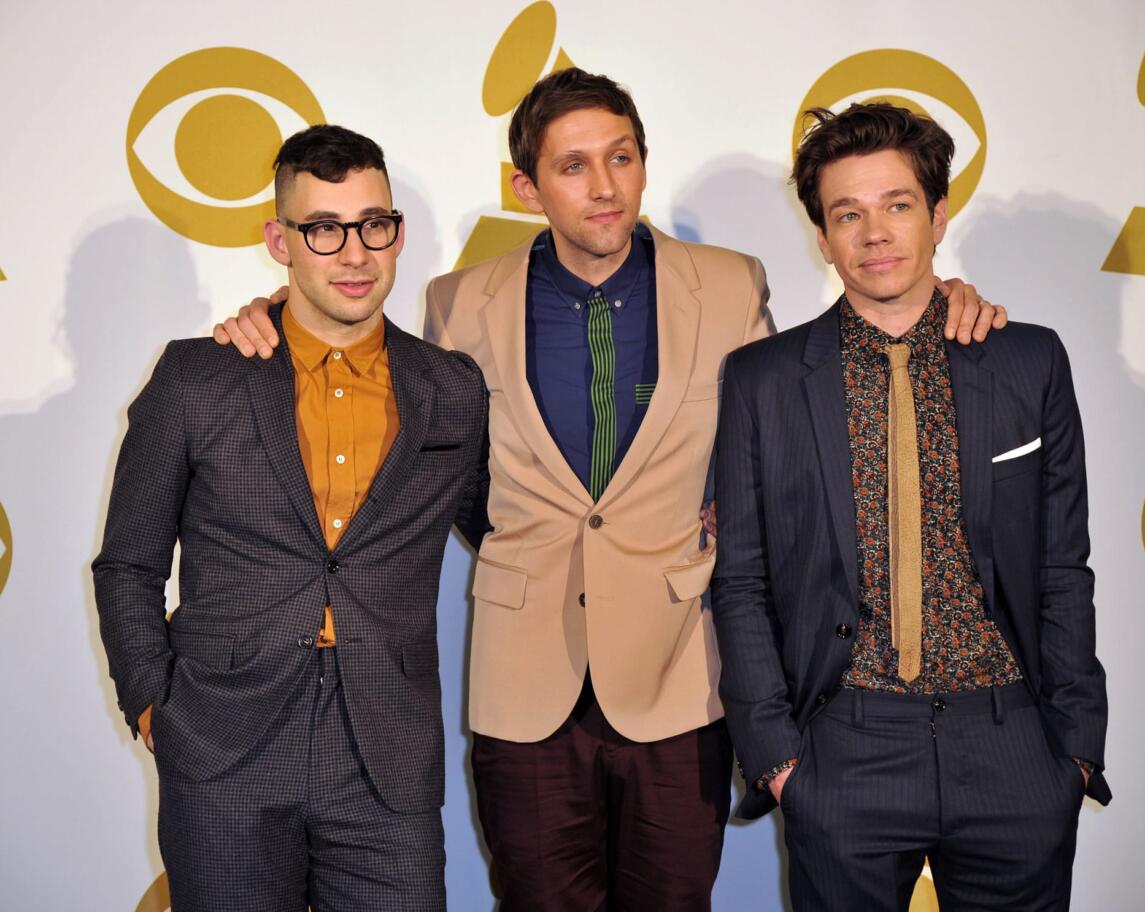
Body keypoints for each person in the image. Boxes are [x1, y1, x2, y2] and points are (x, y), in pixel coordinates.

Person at [214, 70, 1004, 910]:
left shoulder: (731, 285)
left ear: (644, 161)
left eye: (621, 158)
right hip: (524, 688)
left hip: (679, 678)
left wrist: (941, 300)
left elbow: (799, 415)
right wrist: (269, 312)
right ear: (526, 186)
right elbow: (409, 423)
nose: (604, 187)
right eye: (573, 166)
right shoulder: (458, 304)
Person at [710, 102, 1110, 912]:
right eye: (846, 213)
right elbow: (742, 581)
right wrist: (780, 761)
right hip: (843, 746)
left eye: (896, 205)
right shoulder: (763, 379)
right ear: (821, 237)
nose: (873, 233)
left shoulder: (1027, 360)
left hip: (1012, 745)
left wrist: (1071, 749)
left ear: (938, 214)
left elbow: (1063, 565)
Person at [93, 125, 489, 912]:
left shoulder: (452, 389)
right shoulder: (198, 378)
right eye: (324, 229)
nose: (355, 253)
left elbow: (509, 530)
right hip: (224, 743)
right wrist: (153, 706)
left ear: (397, 232)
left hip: (388, 749)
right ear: (281, 240)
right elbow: (128, 566)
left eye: (375, 225)